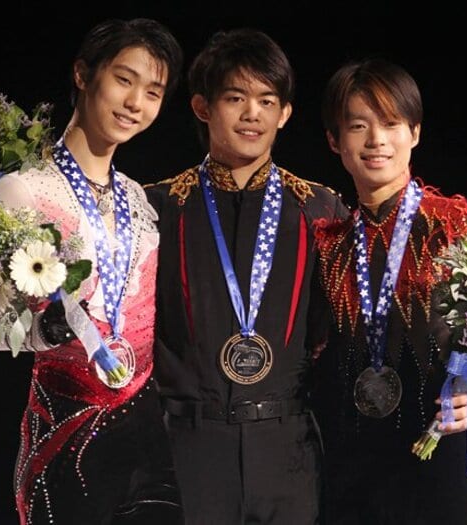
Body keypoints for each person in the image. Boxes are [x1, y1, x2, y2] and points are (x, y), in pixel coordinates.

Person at [0, 18, 185, 525]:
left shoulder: (139, 199)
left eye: (153, 91)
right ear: (83, 74)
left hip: (147, 435)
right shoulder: (20, 191)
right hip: (64, 432)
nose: (135, 103)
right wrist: (41, 331)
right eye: (123, 80)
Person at [144, 28, 349, 524]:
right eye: (235, 98)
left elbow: (337, 327)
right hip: (187, 448)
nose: (252, 113)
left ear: (285, 114)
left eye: (266, 99)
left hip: (288, 447)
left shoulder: (319, 209)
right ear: (202, 107)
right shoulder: (159, 206)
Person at [312, 57, 467, 524]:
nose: (376, 140)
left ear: (415, 132)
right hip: (350, 464)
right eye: (358, 126)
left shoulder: (461, 228)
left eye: (391, 123)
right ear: (334, 141)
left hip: (436, 455)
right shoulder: (329, 244)